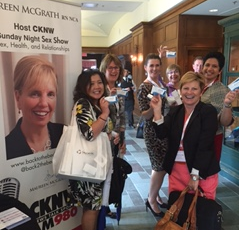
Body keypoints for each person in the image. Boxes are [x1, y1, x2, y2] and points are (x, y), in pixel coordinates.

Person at [151, 71, 220, 199]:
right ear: (180, 90)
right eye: (186, 88)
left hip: (200, 170)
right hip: (177, 170)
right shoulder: (175, 111)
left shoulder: (207, 112)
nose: (189, 92)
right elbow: (162, 134)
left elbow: (205, 145)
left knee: (199, 211)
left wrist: (195, 175)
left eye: (194, 89)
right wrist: (156, 111)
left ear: (201, 91)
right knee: (177, 211)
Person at [68, 69, 114, 230]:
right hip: (86, 166)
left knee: (94, 207)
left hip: (96, 163)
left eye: (99, 82)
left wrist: (112, 135)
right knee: (92, 209)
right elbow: (88, 133)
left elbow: (101, 130)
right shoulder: (83, 103)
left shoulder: (97, 104)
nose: (97, 86)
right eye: (91, 83)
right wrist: (105, 113)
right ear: (83, 87)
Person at [5, 55, 64, 160]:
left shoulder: (66, 136)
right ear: (18, 98)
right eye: (35, 94)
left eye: (50, 94)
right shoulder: (5, 149)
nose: (44, 103)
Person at [137, 53, 167, 217]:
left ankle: (156, 195)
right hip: (152, 131)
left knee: (162, 166)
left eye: (157, 65)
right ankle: (151, 200)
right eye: (151, 66)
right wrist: (152, 106)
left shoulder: (159, 83)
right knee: (158, 166)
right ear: (145, 68)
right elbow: (145, 115)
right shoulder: (144, 87)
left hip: (162, 128)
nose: (154, 68)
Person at [99, 54, 126, 218]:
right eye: (110, 67)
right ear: (104, 69)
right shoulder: (100, 90)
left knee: (114, 171)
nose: (114, 70)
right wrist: (110, 134)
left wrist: (122, 139)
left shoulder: (121, 89)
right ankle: (102, 207)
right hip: (104, 138)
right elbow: (100, 116)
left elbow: (122, 116)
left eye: (116, 67)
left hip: (116, 140)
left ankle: (108, 202)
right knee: (103, 172)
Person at [201, 51, 238, 161]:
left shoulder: (222, 90)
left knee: (207, 172)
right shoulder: (197, 84)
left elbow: (225, 122)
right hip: (194, 134)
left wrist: (227, 104)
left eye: (214, 66)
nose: (209, 69)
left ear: (219, 71)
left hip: (211, 137)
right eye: (207, 65)